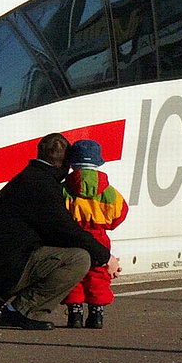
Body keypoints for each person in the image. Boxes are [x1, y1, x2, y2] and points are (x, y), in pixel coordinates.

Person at [0, 132, 121, 330]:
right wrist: (105, 257)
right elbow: (66, 231)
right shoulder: (43, 186)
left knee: (52, 249)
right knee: (79, 259)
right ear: (65, 164)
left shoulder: (28, 178)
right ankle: (22, 311)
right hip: (2, 270)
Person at [59, 139, 129, 329]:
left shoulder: (63, 189)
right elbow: (119, 215)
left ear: (72, 163)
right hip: (99, 239)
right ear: (99, 163)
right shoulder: (110, 193)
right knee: (98, 276)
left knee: (73, 275)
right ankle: (96, 314)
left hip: (71, 239)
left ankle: (75, 314)